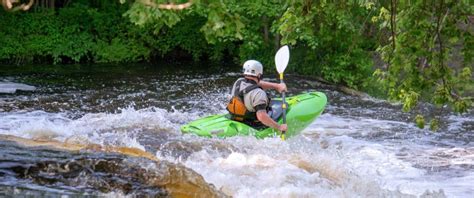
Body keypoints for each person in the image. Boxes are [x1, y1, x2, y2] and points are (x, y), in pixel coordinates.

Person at [227, 60, 288, 132]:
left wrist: (277, 86)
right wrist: (279, 127)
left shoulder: (239, 81)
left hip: (236, 117)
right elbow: (262, 117)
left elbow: (255, 84)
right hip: (251, 123)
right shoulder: (259, 94)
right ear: (259, 75)